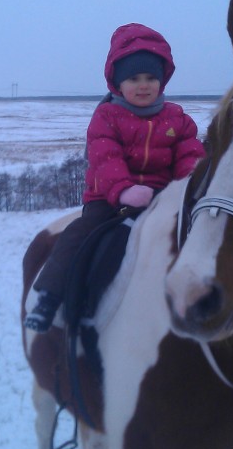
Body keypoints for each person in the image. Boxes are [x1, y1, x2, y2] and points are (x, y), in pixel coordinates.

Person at [25, 23, 205, 332]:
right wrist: (123, 190)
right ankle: (53, 297)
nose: (143, 85)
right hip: (109, 199)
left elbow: (190, 156)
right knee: (80, 235)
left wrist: (188, 187)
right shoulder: (107, 116)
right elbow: (104, 156)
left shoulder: (177, 118)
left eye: (151, 77)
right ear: (117, 83)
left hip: (163, 198)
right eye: (134, 78)